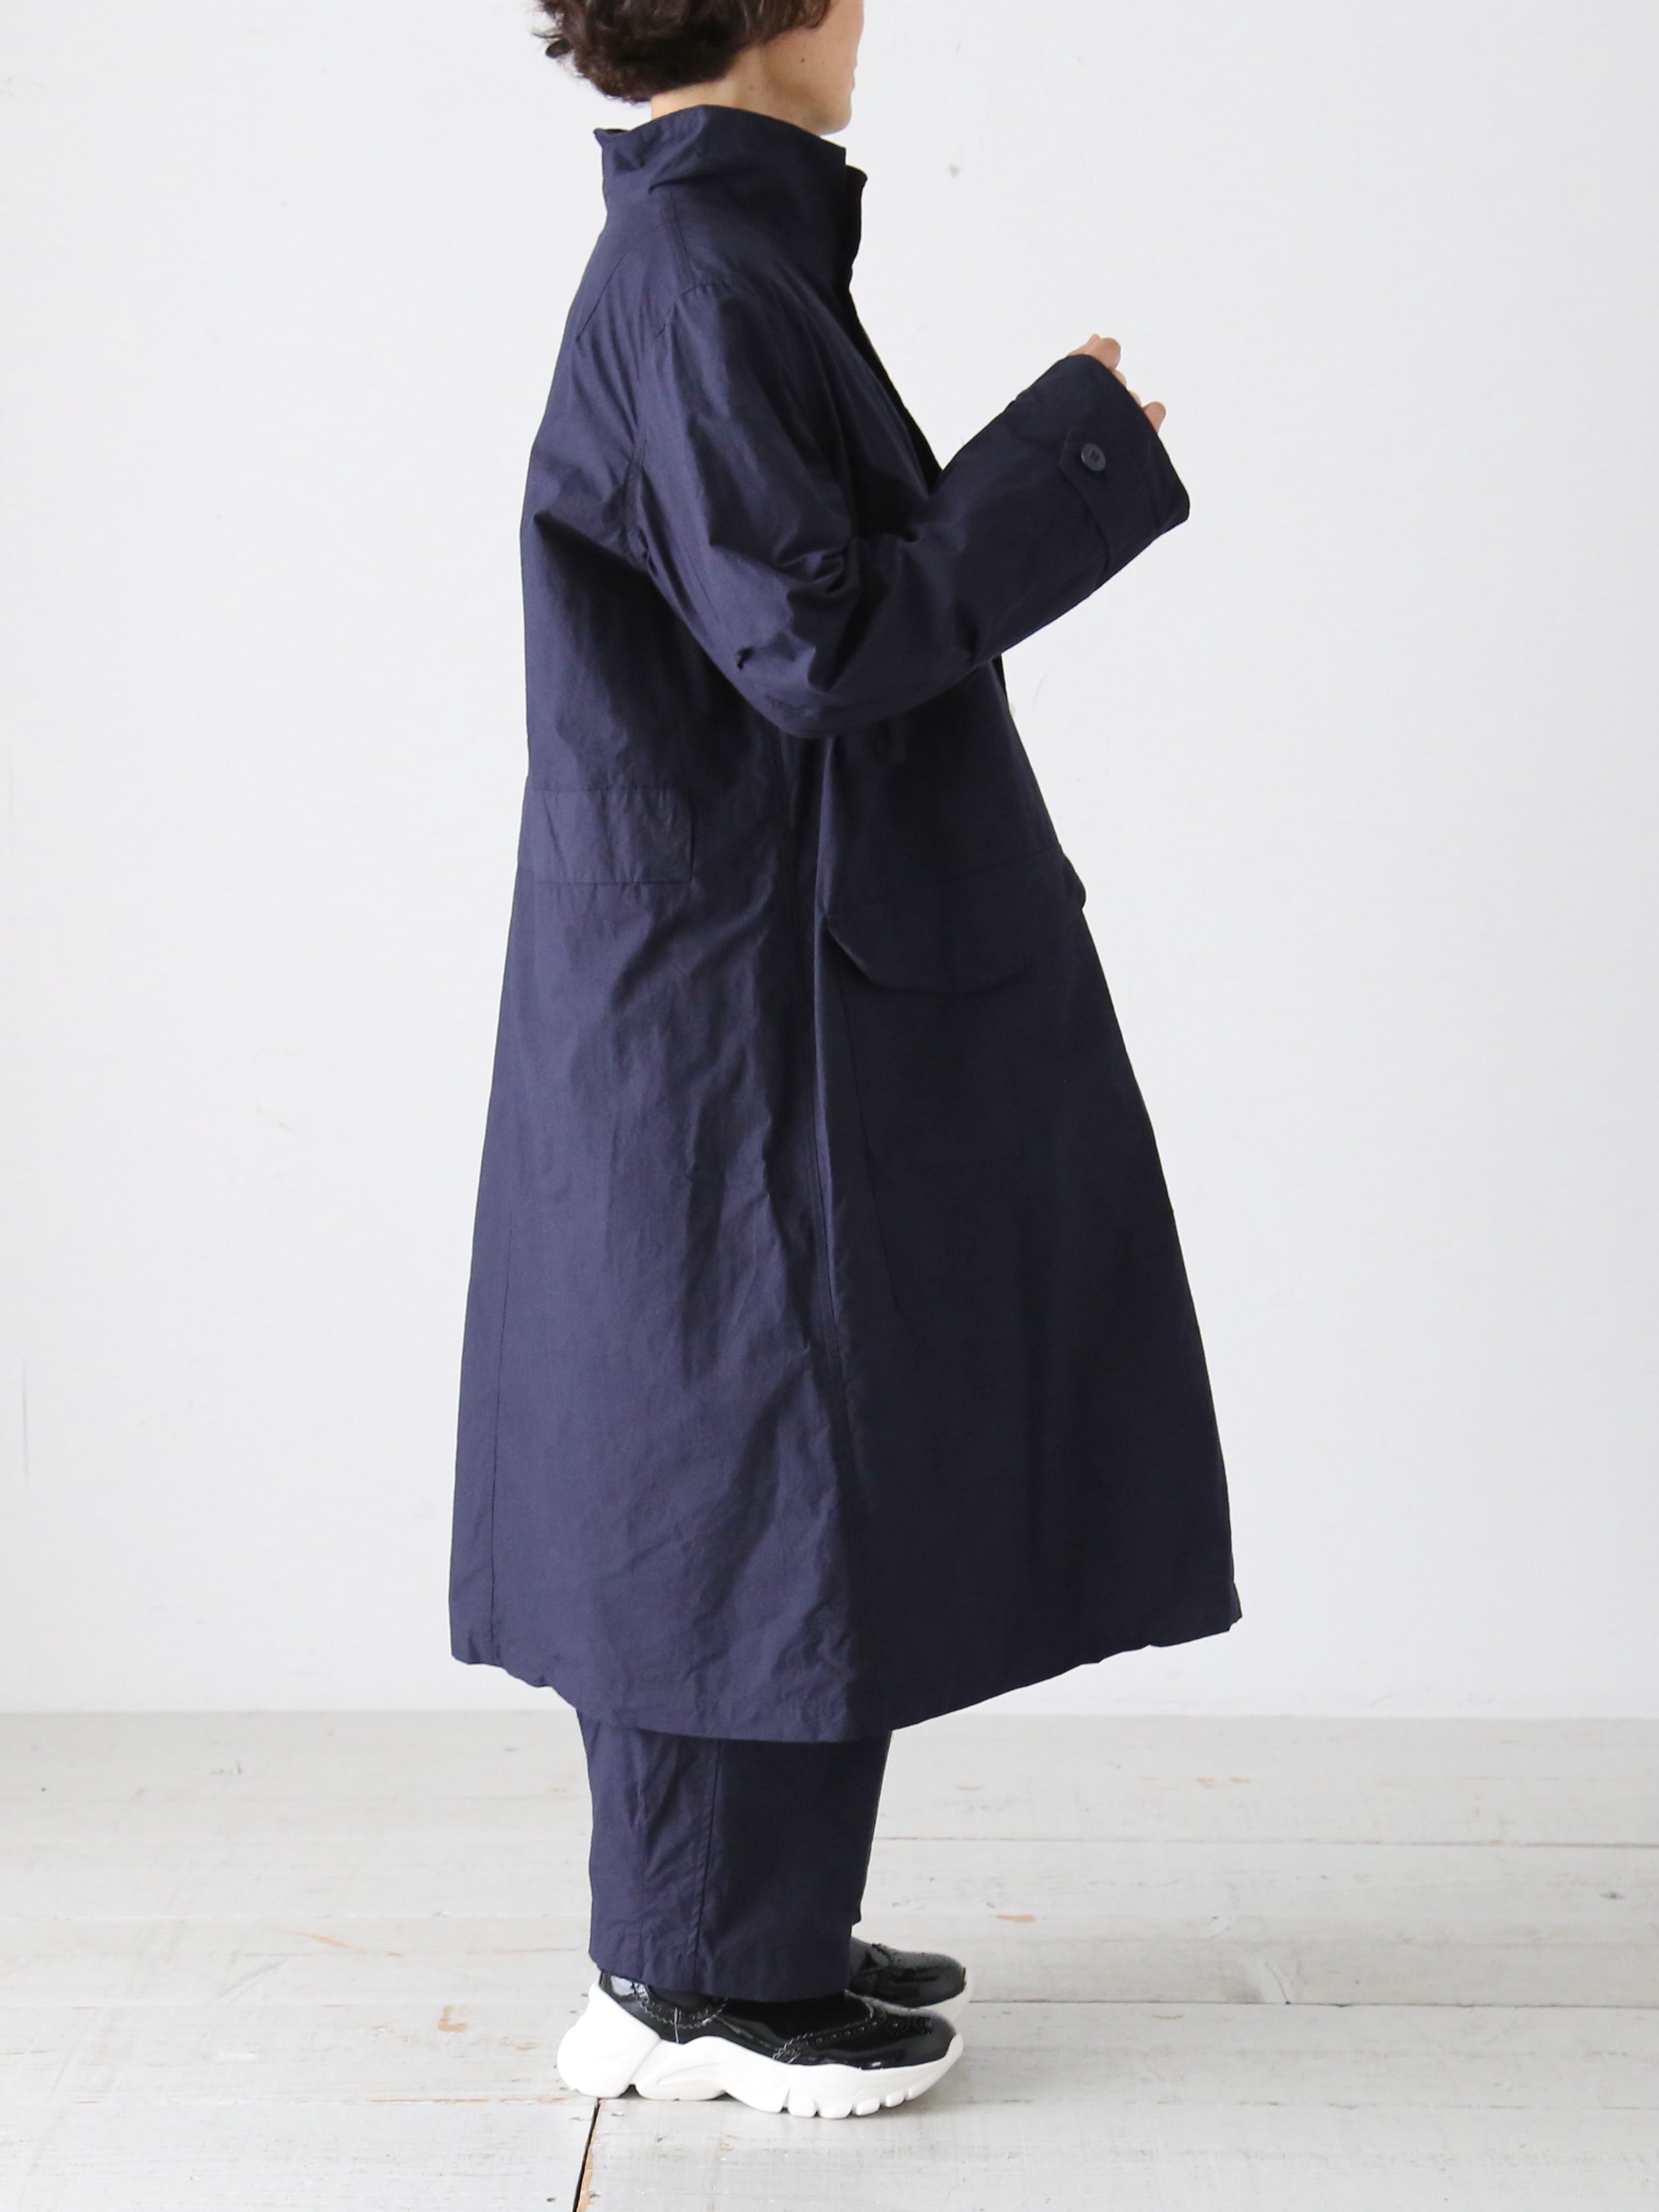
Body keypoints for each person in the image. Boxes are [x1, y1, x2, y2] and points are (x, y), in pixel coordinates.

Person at [449, 0, 1241, 2120]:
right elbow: (811, 637)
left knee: (775, 1437)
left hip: (739, 961)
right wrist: (1069, 461)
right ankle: (706, 1970)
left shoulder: (719, 254)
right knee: (745, 1439)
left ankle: (739, 1926)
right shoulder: (701, 271)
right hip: (736, 983)